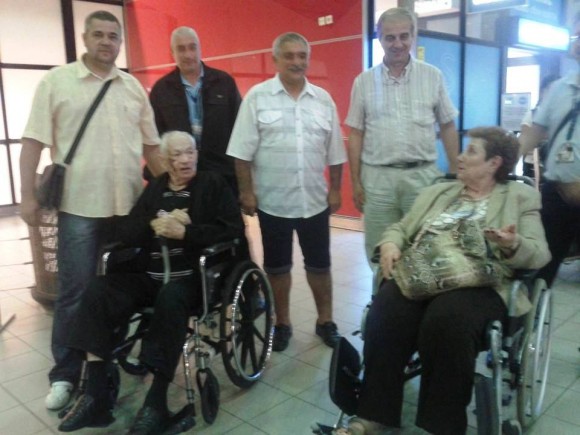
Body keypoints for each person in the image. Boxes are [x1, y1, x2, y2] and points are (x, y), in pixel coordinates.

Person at [338, 127, 550, 435]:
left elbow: (540, 253)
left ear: (494, 163)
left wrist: (512, 244)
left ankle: (442, 426)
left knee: (447, 320)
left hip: (478, 281)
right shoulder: (437, 192)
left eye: (471, 152)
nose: (460, 157)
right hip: (422, 272)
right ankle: (373, 413)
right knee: (386, 312)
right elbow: (402, 227)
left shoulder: (521, 197)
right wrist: (391, 243)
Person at [19, 10, 163, 411]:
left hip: (128, 210)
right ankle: (64, 375)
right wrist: (27, 196)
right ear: (85, 38)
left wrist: (175, 193)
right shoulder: (57, 82)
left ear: (120, 42)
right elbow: (32, 142)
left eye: (112, 36)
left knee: (120, 290)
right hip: (79, 209)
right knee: (75, 292)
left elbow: (152, 148)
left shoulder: (133, 88)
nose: (105, 41)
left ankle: (107, 362)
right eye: (98, 34)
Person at [56, 131, 245, 433]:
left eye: (190, 152)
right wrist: (152, 224)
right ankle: (95, 394)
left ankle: (156, 402)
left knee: (170, 296)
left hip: (193, 280)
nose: (186, 159)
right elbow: (129, 232)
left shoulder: (212, 184)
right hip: (151, 277)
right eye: (177, 155)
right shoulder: (156, 188)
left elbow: (232, 231)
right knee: (98, 290)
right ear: (165, 161)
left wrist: (187, 232)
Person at [226, 32, 347, 352]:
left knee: (320, 266)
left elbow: (336, 152)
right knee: (277, 268)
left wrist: (336, 189)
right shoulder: (257, 97)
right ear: (276, 60)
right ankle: (282, 323)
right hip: (273, 202)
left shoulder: (323, 100)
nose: (296, 62)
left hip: (314, 202)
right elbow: (241, 153)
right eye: (289, 56)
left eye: (302, 56)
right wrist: (247, 192)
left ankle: (325, 321)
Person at [345, 7, 459, 264]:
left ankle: (419, 289)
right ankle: (381, 290)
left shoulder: (432, 76)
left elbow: (447, 125)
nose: (397, 44)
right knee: (378, 250)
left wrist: (454, 172)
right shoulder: (363, 82)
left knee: (424, 247)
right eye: (390, 37)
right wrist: (356, 181)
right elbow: (356, 134)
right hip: (377, 180)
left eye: (404, 36)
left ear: (413, 36)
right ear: (379, 39)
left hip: (423, 177)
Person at [519, 13, 580, 288]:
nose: (578, 42)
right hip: (556, 193)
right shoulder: (560, 88)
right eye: (577, 35)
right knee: (539, 268)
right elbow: (535, 132)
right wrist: (502, 164)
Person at [149, 26, 242, 195]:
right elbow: (155, 138)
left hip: (223, 176)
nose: (188, 54)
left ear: (200, 49)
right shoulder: (161, 89)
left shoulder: (224, 82)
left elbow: (240, 129)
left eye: (192, 47)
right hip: (180, 179)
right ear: (172, 53)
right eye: (181, 49)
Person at [520, 74, 559, 183]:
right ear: (542, 92)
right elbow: (526, 140)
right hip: (532, 165)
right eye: (550, 90)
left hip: (560, 167)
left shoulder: (567, 118)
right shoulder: (532, 114)